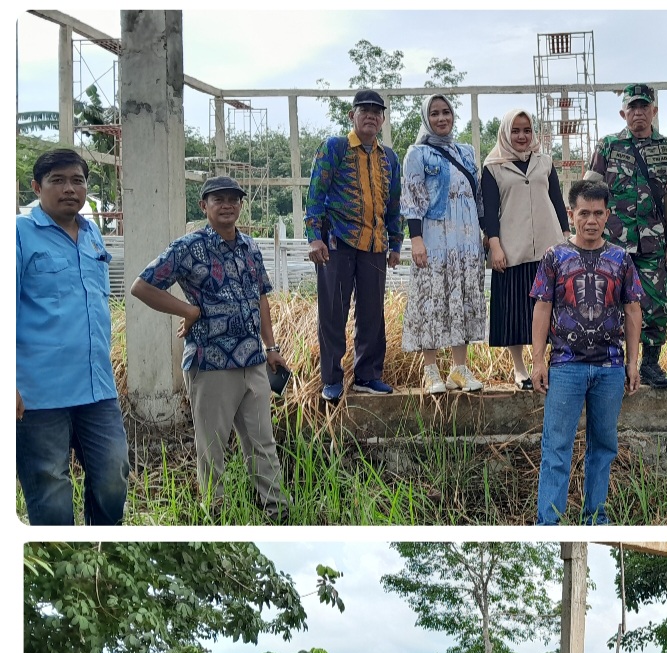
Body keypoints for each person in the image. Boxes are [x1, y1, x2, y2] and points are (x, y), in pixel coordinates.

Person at [131, 176, 290, 521]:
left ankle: (276, 511)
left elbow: (260, 296)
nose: (227, 205)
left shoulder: (250, 247)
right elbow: (142, 286)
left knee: (262, 443)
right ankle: (215, 515)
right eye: (218, 199)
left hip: (253, 360)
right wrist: (187, 310)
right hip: (210, 363)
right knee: (212, 448)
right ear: (204, 206)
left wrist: (271, 346)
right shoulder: (188, 247)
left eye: (234, 199)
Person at [16, 148, 129, 525]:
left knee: (114, 479)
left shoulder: (92, 232)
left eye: (77, 180)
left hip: (97, 389)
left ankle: (102, 548)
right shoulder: (18, 235)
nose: (69, 189)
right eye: (58, 180)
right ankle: (65, 557)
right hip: (38, 395)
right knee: (51, 493)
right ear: (37, 187)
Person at [531, 179, 643, 525]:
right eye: (584, 213)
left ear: (608, 214)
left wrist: (632, 362)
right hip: (566, 365)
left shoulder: (620, 259)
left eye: (598, 213)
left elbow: (633, 309)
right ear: (571, 214)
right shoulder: (555, 257)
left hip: (609, 367)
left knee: (604, 447)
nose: (591, 220)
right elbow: (542, 306)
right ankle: (548, 522)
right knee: (556, 448)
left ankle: (595, 515)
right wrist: (538, 361)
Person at [306, 89, 403, 401]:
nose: (371, 116)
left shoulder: (389, 157)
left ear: (383, 119)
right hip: (337, 242)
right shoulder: (334, 148)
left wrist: (396, 243)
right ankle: (332, 378)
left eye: (377, 111)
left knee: (372, 313)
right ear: (352, 115)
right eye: (365, 110)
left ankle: (368, 375)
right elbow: (315, 195)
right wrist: (314, 237)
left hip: (375, 244)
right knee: (333, 311)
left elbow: (394, 204)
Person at [585, 84, 667, 388]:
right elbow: (590, 192)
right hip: (612, 243)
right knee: (607, 302)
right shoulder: (608, 146)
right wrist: (586, 238)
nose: (638, 113)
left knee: (655, 303)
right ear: (623, 112)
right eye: (633, 108)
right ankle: (611, 362)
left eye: (644, 107)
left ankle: (650, 365)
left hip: (653, 242)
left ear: (654, 111)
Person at [401, 94, 486, 396]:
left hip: (466, 240)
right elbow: (411, 198)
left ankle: (459, 370)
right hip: (435, 239)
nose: (441, 118)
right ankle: (431, 371)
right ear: (426, 118)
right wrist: (416, 239)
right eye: (434, 113)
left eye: (446, 112)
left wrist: (485, 232)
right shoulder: (417, 153)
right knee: (432, 299)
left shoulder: (466, 152)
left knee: (461, 298)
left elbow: (478, 198)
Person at [480, 109, 570, 389]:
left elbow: (557, 202)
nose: (522, 136)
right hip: (511, 249)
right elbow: (489, 212)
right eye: (516, 131)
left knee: (550, 310)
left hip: (548, 247)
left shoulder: (544, 162)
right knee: (514, 310)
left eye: (527, 131)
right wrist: (495, 246)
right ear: (506, 133)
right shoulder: (493, 165)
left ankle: (543, 365)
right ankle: (520, 370)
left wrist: (566, 239)